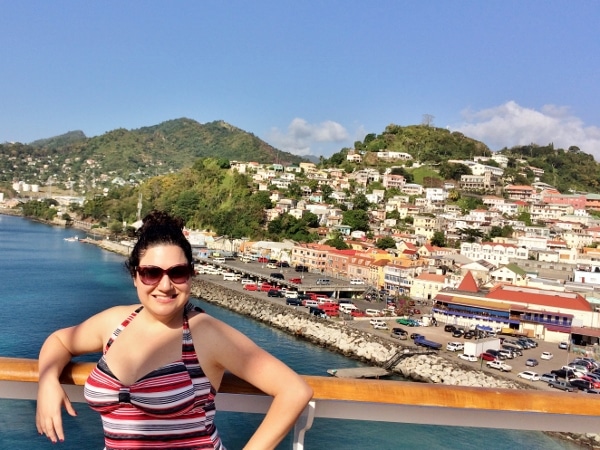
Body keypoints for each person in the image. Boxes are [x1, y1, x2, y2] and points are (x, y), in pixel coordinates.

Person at [36, 210, 313, 449]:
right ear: (135, 276)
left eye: (177, 272)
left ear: (191, 275)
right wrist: (47, 381)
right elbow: (60, 341)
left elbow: (293, 390)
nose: (165, 285)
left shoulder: (204, 333)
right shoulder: (115, 323)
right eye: (151, 273)